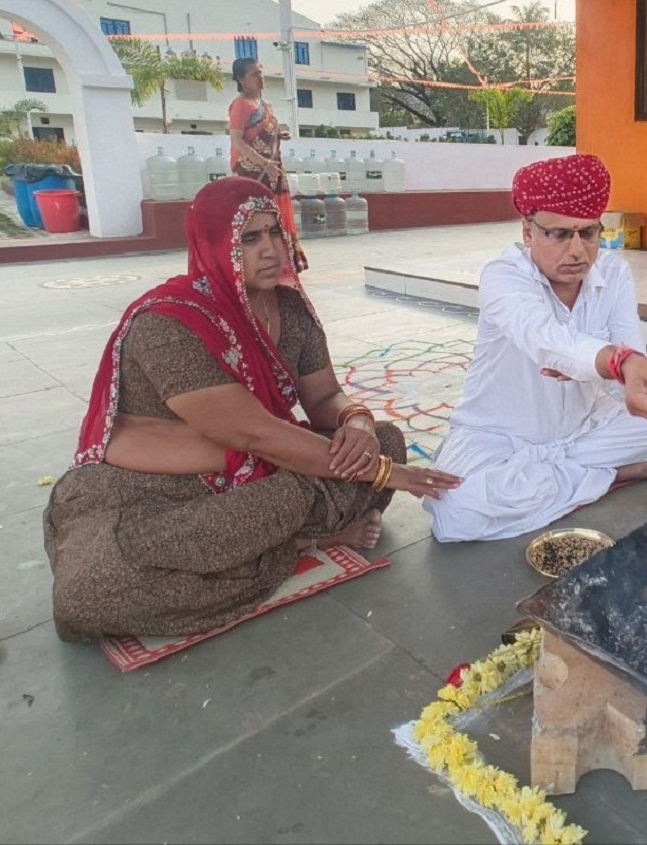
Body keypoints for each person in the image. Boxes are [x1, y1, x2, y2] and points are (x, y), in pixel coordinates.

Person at [44, 178, 462, 643]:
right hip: (158, 491)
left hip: (262, 475)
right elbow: (255, 434)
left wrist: (357, 423)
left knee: (387, 438)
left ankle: (272, 543)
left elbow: (324, 399)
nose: (270, 250)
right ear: (213, 243)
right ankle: (303, 541)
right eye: (249, 237)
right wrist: (384, 475)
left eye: (275, 233)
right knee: (91, 594)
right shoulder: (169, 323)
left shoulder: (291, 310)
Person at [424, 154, 647, 543]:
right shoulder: (503, 277)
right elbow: (544, 337)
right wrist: (614, 361)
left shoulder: (614, 273)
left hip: (583, 427)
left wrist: (638, 388)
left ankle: (553, 477)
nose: (577, 251)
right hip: (499, 436)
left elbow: (630, 358)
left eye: (588, 233)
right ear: (528, 232)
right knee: (456, 513)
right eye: (558, 234)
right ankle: (608, 476)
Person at [228, 57, 308, 273]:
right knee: (257, 216)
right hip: (253, 171)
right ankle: (256, 263)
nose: (260, 77)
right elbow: (237, 141)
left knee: (277, 213)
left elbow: (262, 133)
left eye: (260, 72)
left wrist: (277, 135)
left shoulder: (266, 106)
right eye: (254, 74)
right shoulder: (241, 105)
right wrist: (264, 163)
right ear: (241, 80)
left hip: (273, 169)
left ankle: (283, 261)